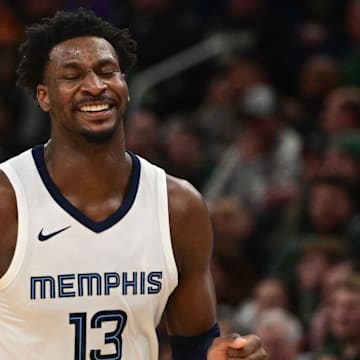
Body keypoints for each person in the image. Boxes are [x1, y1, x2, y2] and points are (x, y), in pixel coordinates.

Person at [0, 8, 267, 360]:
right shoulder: (8, 200)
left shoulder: (178, 206)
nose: (95, 86)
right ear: (44, 96)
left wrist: (222, 356)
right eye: (72, 75)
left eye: (107, 71)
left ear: (124, 85)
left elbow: (194, 345)